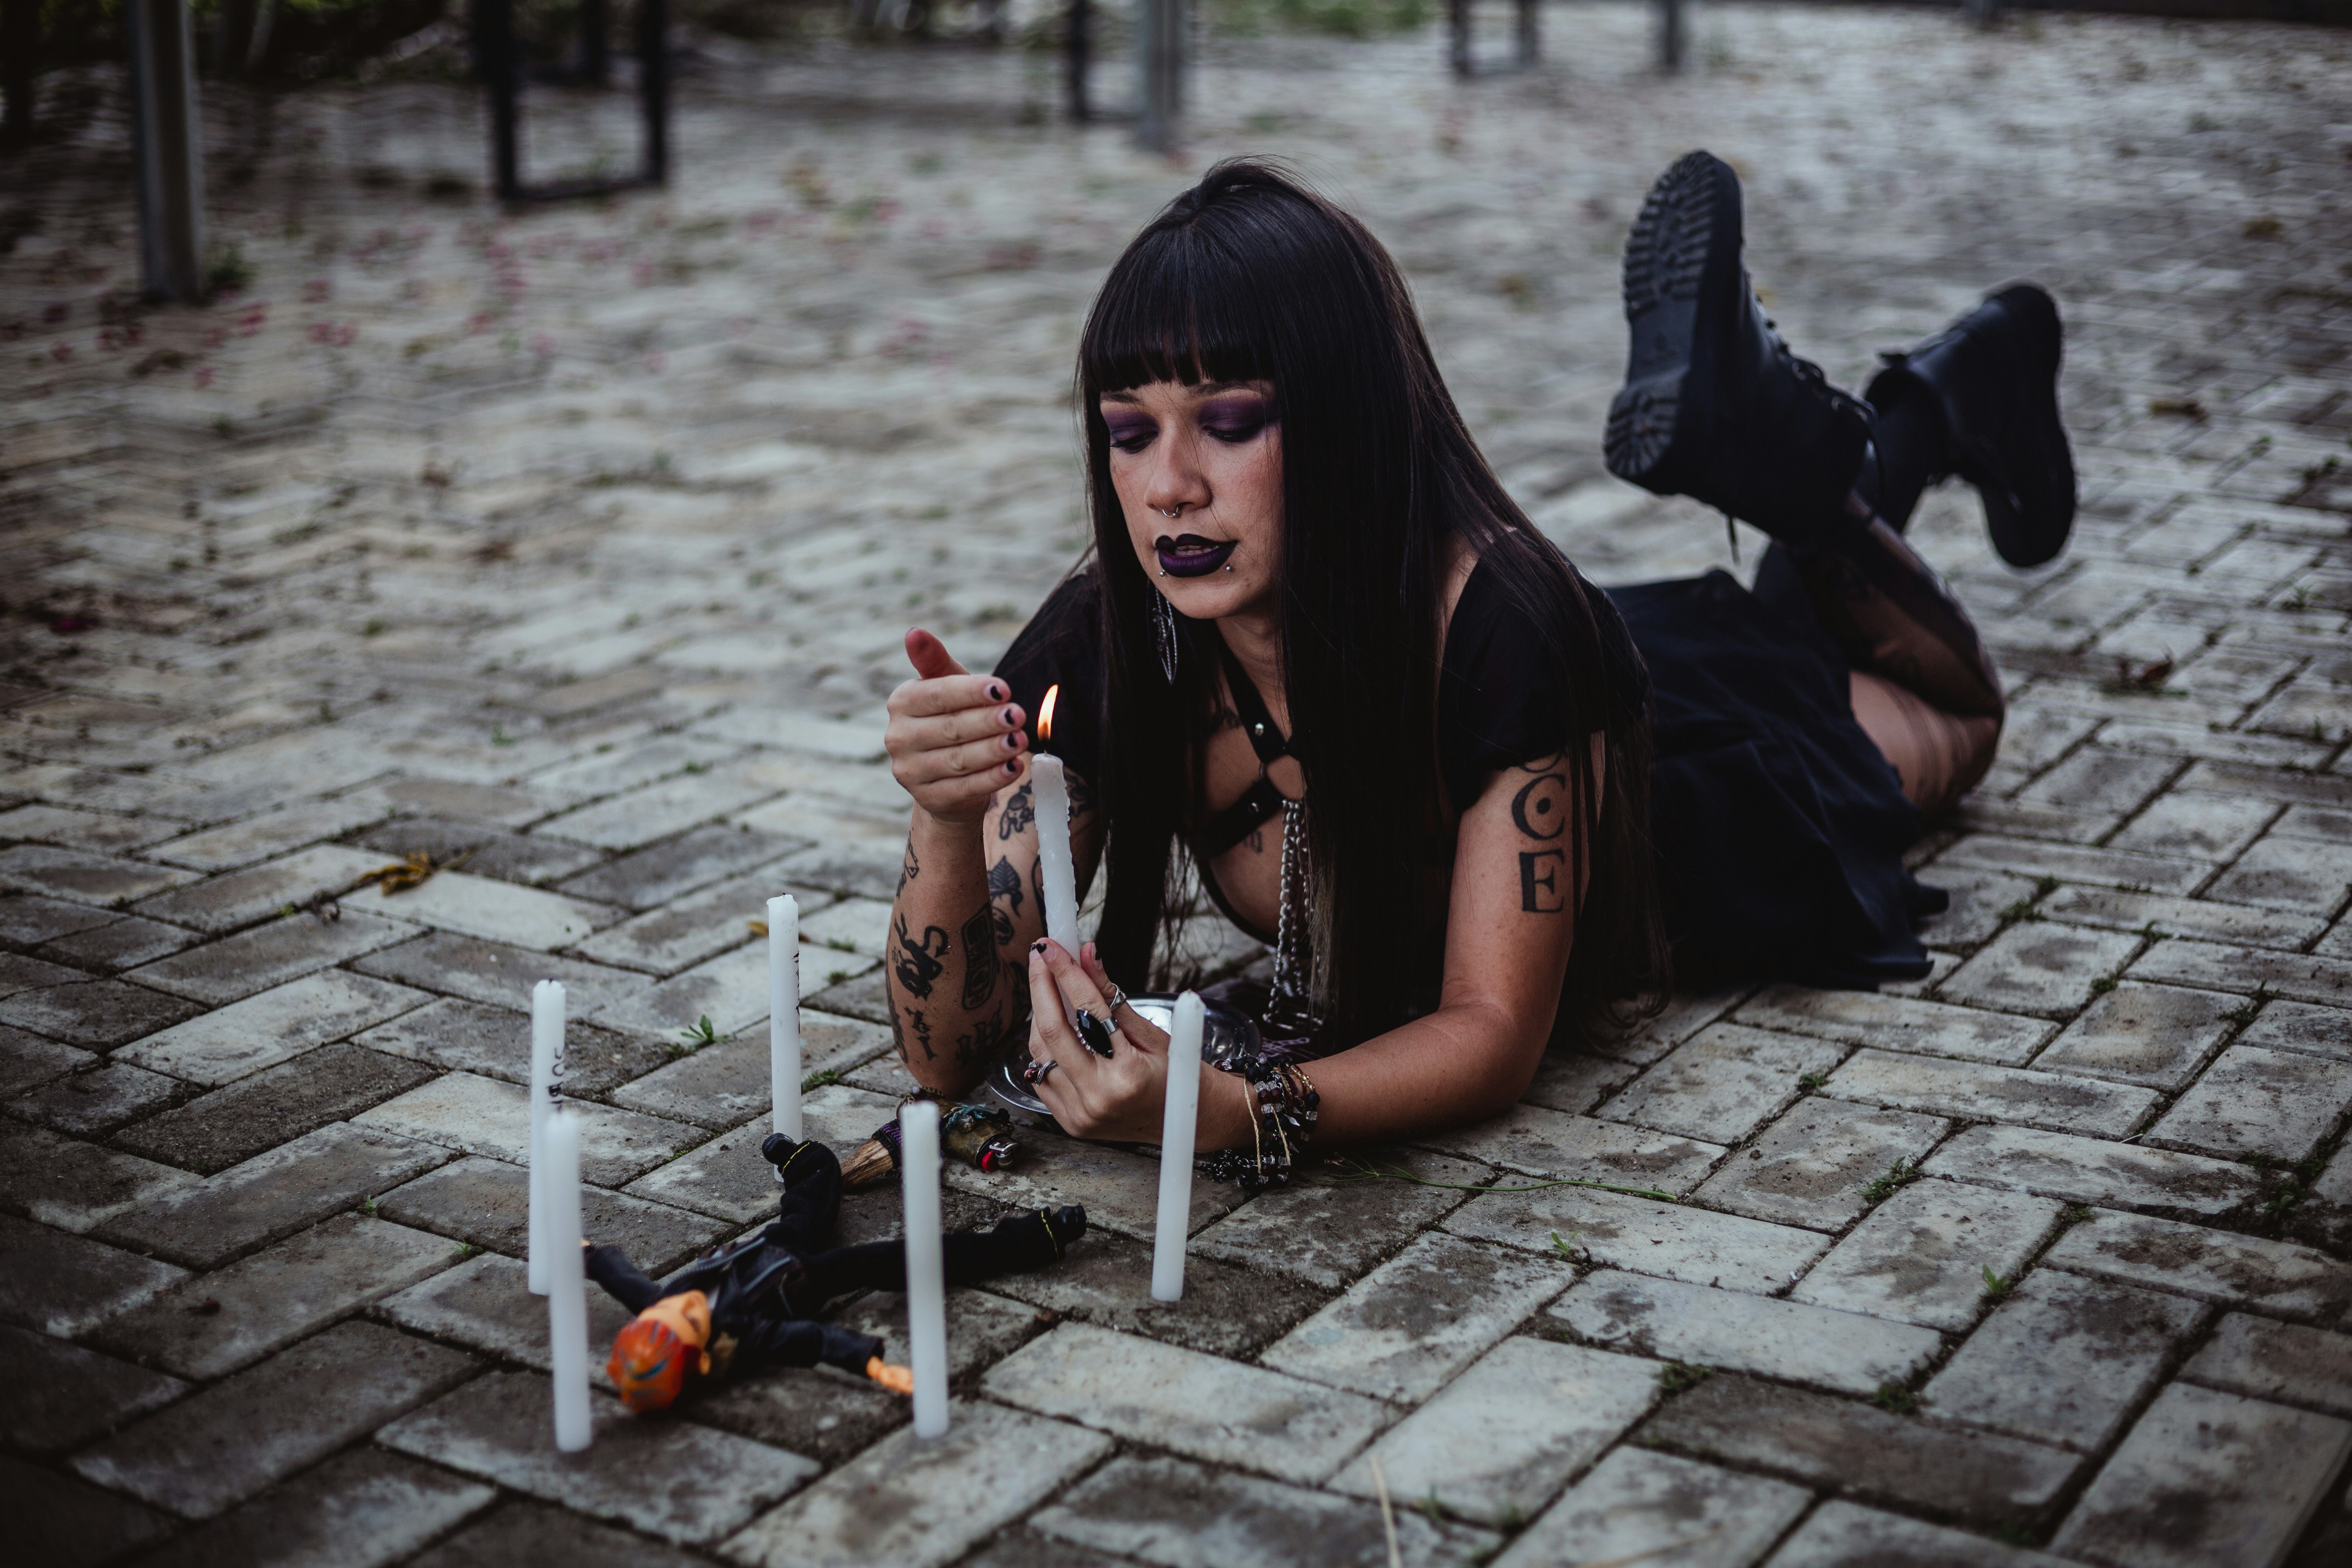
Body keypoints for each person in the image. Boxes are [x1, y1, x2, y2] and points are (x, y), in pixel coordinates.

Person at [877, 153, 2071, 1182]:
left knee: (1955, 714)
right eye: (1128, 430)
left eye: (1229, 420)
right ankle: (1781, 450)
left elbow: (1492, 1031)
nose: (1168, 485)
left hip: (1697, 766)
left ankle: (1847, 456)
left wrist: (1235, 1112)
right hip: (1581, 656)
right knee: (1786, 618)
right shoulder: (1111, 636)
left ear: (1344, 416)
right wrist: (943, 821)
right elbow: (946, 1058)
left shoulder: (1506, 632)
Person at [589, 1133, 1085, 1411]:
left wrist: (585, 1253)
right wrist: (874, 1365)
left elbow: (617, 1273)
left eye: (671, 1307)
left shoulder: (657, 1306)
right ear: (701, 1359)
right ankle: (1034, 1239)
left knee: (812, 1196)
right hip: (810, 1276)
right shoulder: (749, 1335)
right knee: (904, 1260)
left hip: (770, 1245)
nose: (685, 1303)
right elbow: (814, 1342)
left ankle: (802, 1161)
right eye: (690, 1318)